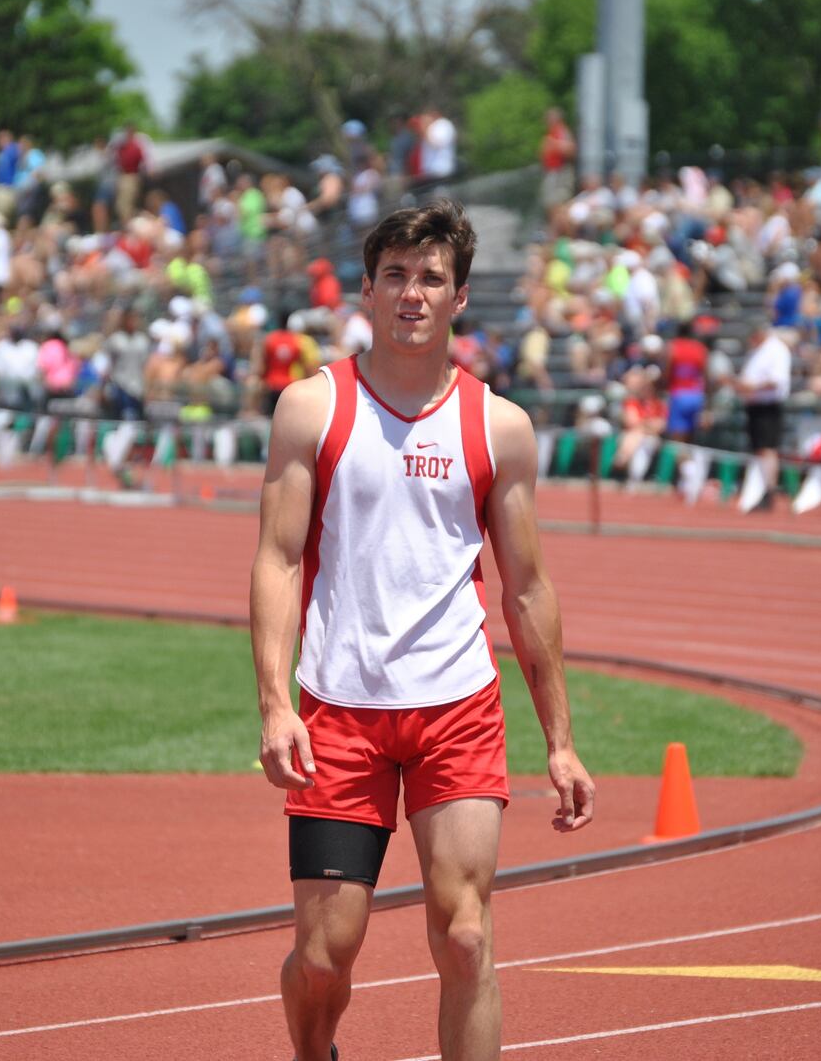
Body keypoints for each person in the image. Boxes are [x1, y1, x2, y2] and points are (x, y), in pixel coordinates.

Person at [250, 198, 595, 1061]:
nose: (413, 293)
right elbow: (279, 561)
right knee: (326, 957)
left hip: (456, 706)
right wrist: (274, 704)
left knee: (468, 936)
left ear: (460, 297)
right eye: (396, 275)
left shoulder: (498, 426)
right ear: (365, 290)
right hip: (340, 707)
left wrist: (561, 740)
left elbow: (527, 588)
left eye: (431, 278)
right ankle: (312, 1052)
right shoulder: (311, 408)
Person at [734, 324, 792, 510]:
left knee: (767, 448)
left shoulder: (776, 350)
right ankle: (759, 489)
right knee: (760, 448)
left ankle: (769, 490)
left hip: (768, 406)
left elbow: (777, 380)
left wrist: (752, 387)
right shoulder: (759, 350)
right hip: (755, 405)